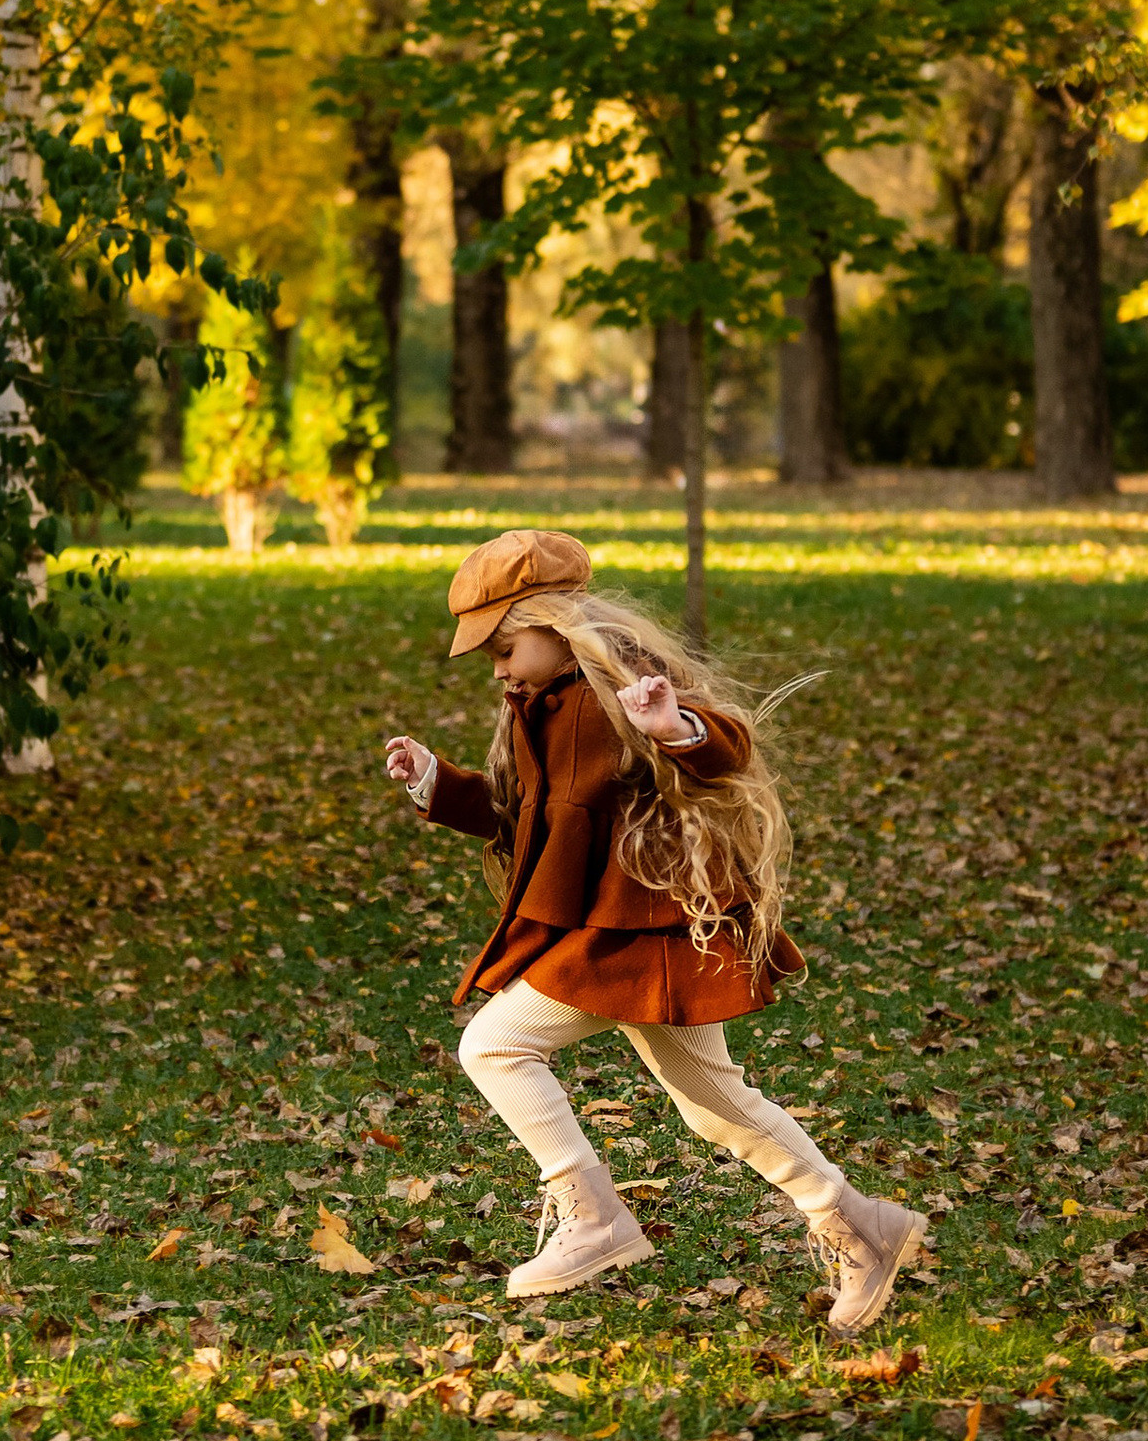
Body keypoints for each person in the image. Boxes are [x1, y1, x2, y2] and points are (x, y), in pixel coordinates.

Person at [382, 526, 925, 1330]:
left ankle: (594, 1217)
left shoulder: (625, 681)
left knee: (494, 1045)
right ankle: (861, 1225)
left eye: (501, 643)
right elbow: (527, 821)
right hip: (613, 926)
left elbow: (724, 744)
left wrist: (676, 729)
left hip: (646, 925)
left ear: (551, 620)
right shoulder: (535, 704)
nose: (495, 665)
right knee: (713, 1100)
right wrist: (437, 784)